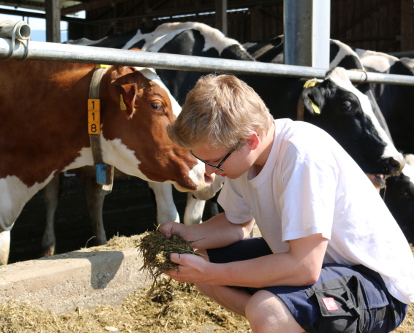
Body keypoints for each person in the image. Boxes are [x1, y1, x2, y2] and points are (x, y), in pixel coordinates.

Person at [161, 74, 414, 333]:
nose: (210, 171)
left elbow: (304, 268)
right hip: (318, 263)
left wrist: (211, 273)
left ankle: (279, 322)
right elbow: (236, 225)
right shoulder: (241, 158)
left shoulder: (301, 154)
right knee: (199, 262)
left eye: (214, 161)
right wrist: (188, 235)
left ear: (251, 141)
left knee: (266, 310)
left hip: (377, 284)